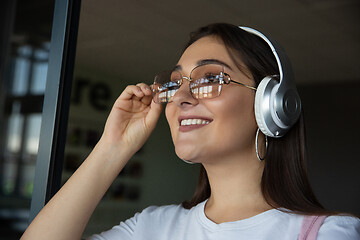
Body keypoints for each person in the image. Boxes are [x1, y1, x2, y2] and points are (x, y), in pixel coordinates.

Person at [21, 23, 360, 240]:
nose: (181, 97)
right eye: (174, 83)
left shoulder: (327, 233)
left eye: (210, 79)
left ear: (272, 104)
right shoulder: (151, 228)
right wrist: (113, 148)